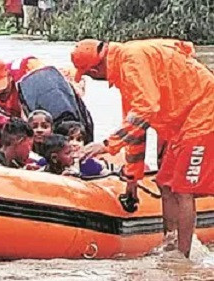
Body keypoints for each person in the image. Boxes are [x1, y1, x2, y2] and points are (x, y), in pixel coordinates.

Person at [72, 38, 214, 257]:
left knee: (183, 189)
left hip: (203, 113)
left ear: (94, 69)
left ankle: (182, 257)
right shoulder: (126, 71)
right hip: (184, 122)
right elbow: (136, 133)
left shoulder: (132, 61)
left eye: (89, 74)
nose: (93, 79)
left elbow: (146, 109)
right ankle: (170, 242)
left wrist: (107, 145)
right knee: (164, 182)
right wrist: (132, 182)